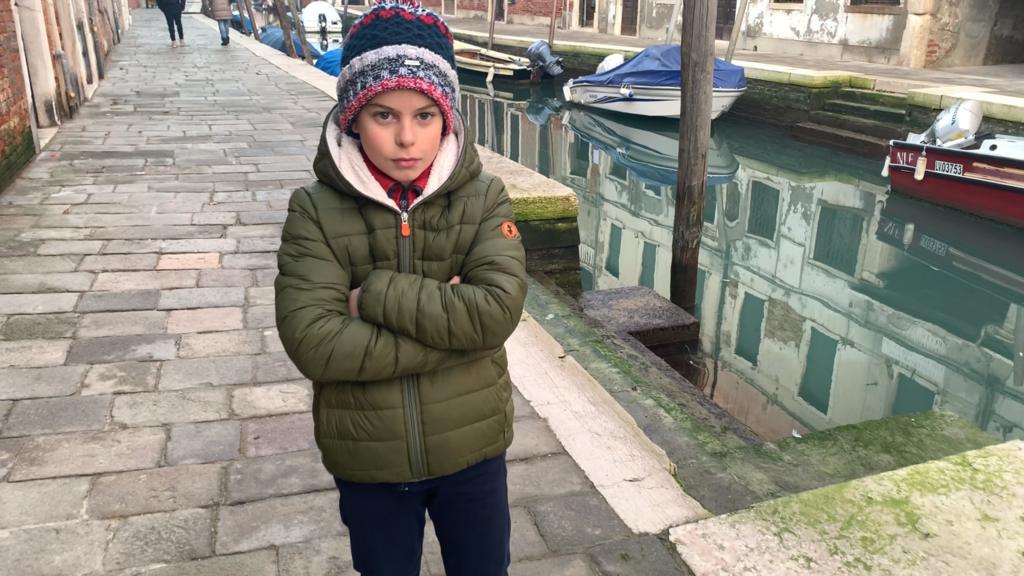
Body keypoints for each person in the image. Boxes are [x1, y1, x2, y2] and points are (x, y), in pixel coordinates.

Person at [274, 1, 527, 574]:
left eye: (425, 115)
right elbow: (315, 343)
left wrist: (373, 298)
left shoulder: (485, 198)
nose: (407, 138)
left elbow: (495, 312)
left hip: (473, 450)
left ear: (448, 117)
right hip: (369, 458)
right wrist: (460, 332)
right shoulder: (313, 209)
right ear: (353, 118)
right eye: (384, 115)